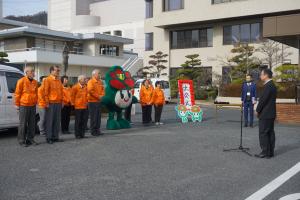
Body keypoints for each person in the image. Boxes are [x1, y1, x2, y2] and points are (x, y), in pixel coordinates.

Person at [255, 69, 277, 159]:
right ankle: (270, 152)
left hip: (265, 113)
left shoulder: (268, 86)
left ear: (266, 75)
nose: (260, 76)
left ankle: (265, 151)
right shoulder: (273, 85)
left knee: (263, 132)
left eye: (261, 74)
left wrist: (257, 110)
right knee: (270, 132)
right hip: (271, 113)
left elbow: (263, 100)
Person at [14, 66, 38, 147]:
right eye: (31, 71)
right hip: (24, 105)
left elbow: (36, 93)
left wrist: (36, 102)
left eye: (33, 71)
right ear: (26, 72)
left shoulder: (35, 82)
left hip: (32, 105)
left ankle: (30, 139)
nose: (33, 73)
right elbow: (17, 94)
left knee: (32, 124)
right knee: (23, 124)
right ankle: (21, 140)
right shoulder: (21, 81)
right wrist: (17, 105)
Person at [44, 66, 64, 144]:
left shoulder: (59, 80)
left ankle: (55, 137)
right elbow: (45, 92)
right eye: (57, 70)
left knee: (57, 121)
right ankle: (49, 137)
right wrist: (47, 102)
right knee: (50, 121)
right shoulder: (47, 80)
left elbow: (61, 92)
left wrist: (62, 101)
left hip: (58, 103)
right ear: (52, 71)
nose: (58, 72)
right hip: (51, 103)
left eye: (59, 70)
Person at [87, 69, 105, 136]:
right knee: (93, 117)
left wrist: (102, 96)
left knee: (98, 117)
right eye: (98, 73)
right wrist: (98, 96)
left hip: (98, 101)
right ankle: (93, 131)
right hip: (92, 102)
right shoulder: (90, 82)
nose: (100, 75)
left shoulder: (100, 82)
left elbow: (103, 90)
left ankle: (98, 130)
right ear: (94, 74)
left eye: (100, 73)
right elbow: (90, 91)